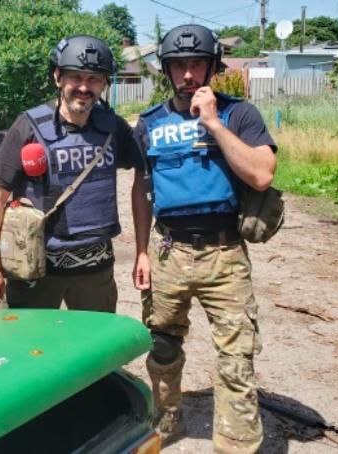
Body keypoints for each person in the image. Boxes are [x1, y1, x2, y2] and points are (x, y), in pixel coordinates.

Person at [132, 24, 277, 452]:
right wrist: (140, 251)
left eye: (197, 64)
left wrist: (212, 123)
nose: (188, 74)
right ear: (167, 70)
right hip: (168, 251)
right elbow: (141, 189)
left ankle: (236, 443)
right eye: (179, 65)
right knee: (162, 343)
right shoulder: (150, 123)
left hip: (224, 253)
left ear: (213, 67)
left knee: (236, 358)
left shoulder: (240, 115)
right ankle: (166, 418)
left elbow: (262, 175)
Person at [0, 35, 149, 312]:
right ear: (58, 77)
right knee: (32, 340)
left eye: (94, 79)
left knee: (96, 340)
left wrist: (143, 251)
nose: (84, 87)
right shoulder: (28, 126)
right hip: (35, 269)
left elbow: (145, 174)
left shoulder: (114, 128)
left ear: (104, 83)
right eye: (76, 77)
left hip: (96, 271)